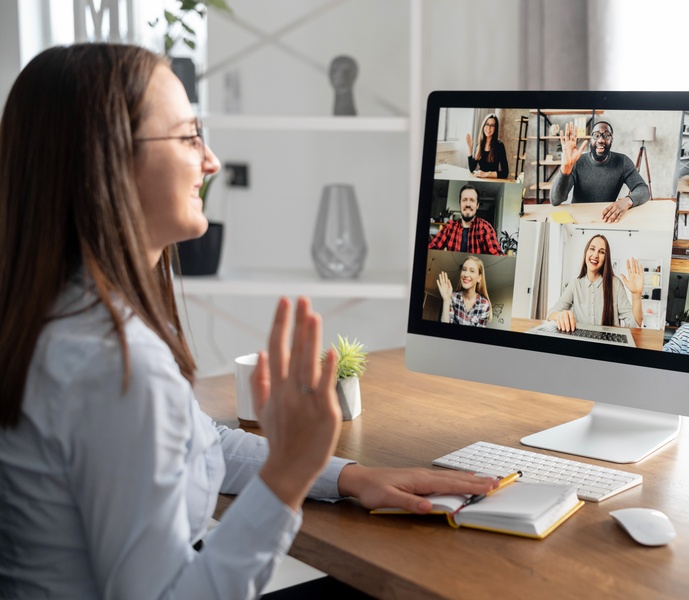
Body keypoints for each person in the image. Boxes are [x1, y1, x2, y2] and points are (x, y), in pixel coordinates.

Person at [0, 44, 496, 599]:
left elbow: (198, 441)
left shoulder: (45, 318)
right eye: (188, 136)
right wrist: (286, 473)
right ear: (109, 160)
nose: (210, 161)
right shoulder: (120, 367)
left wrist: (344, 475)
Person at [550, 121, 650, 223]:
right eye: (596, 135)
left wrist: (626, 201)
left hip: (606, 217)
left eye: (606, 135)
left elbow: (643, 189)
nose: (601, 140)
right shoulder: (577, 161)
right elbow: (555, 200)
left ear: (612, 140)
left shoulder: (623, 162)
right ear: (590, 139)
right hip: (579, 218)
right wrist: (566, 167)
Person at [546, 234, 645, 331]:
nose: (595, 255)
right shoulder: (575, 284)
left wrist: (636, 295)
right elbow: (550, 314)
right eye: (592, 249)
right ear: (586, 252)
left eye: (602, 252)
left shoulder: (616, 284)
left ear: (606, 258)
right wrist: (559, 315)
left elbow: (634, 325)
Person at [427, 184, 503, 255]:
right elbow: (431, 250)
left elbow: (498, 258)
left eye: (472, 200)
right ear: (460, 203)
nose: (468, 204)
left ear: (477, 205)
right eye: (464, 200)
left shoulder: (485, 228)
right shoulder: (449, 227)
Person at [436, 256, 492, 326]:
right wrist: (446, 300)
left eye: (472, 271)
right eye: (464, 269)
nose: (466, 274)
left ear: (479, 278)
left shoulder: (484, 304)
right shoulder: (453, 297)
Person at [466, 113, 509, 179]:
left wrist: (486, 174)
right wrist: (470, 148)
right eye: (487, 124)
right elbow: (471, 169)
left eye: (492, 125)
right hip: (480, 180)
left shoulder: (499, 146)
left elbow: (505, 173)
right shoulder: (479, 145)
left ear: (495, 129)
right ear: (483, 126)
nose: (489, 128)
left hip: (493, 181)